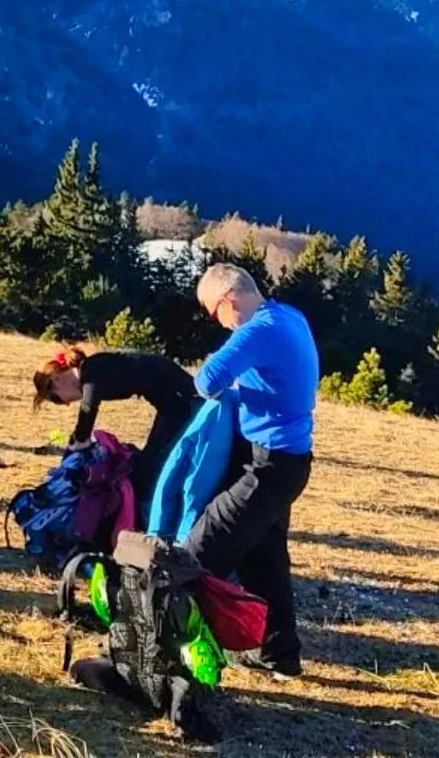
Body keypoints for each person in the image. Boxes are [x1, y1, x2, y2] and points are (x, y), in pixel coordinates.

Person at [182, 263, 317, 679]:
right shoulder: (290, 316)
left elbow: (207, 380)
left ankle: (180, 647)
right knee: (265, 559)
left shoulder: (256, 330)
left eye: (212, 313)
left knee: (201, 548)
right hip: (291, 460)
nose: (218, 324)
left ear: (228, 300)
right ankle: (280, 656)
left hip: (270, 466)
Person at [33, 347, 204, 506]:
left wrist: (81, 438)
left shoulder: (91, 369)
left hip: (183, 402)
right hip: (170, 405)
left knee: (152, 468)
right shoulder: (93, 369)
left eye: (56, 399)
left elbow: (88, 407)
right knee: (146, 465)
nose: (66, 404)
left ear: (55, 380)